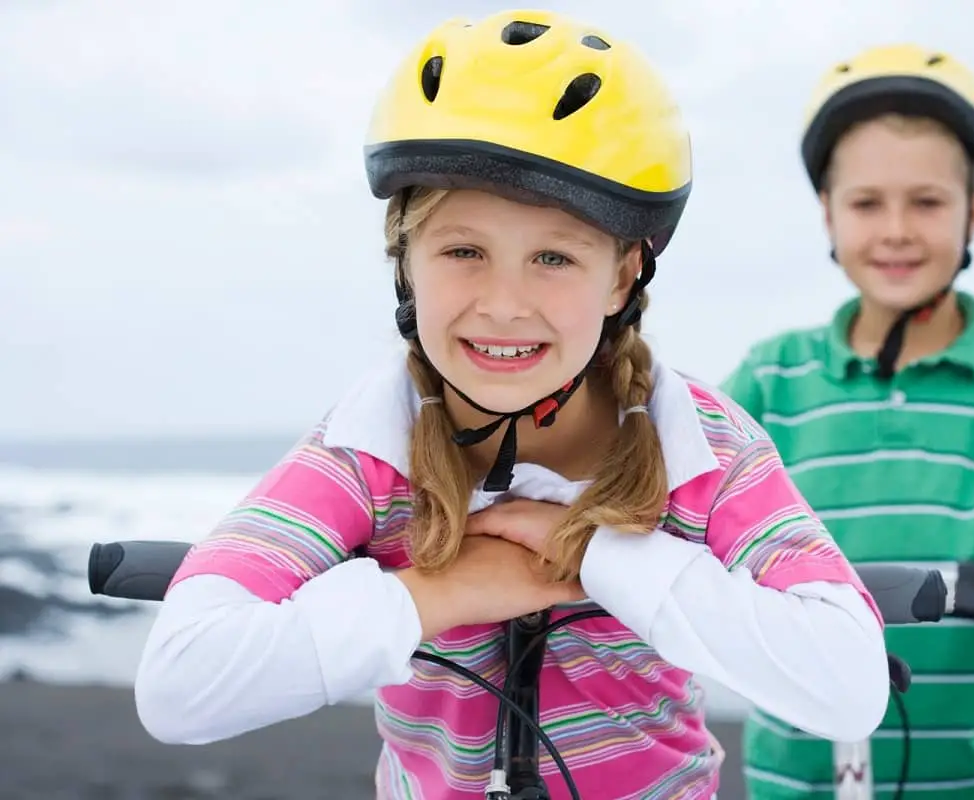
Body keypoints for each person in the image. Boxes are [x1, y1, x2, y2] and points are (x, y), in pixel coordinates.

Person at [132, 11, 891, 800]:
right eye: (464, 251)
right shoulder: (368, 452)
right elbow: (180, 684)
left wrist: (599, 555)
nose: (502, 304)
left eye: (554, 257)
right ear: (405, 260)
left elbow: (849, 683)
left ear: (624, 276)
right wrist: (444, 591)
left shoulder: (695, 447)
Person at [725, 44, 974, 800]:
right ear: (828, 214)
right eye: (867, 203)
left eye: (928, 202)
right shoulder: (771, 379)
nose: (897, 230)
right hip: (800, 778)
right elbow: (687, 496)